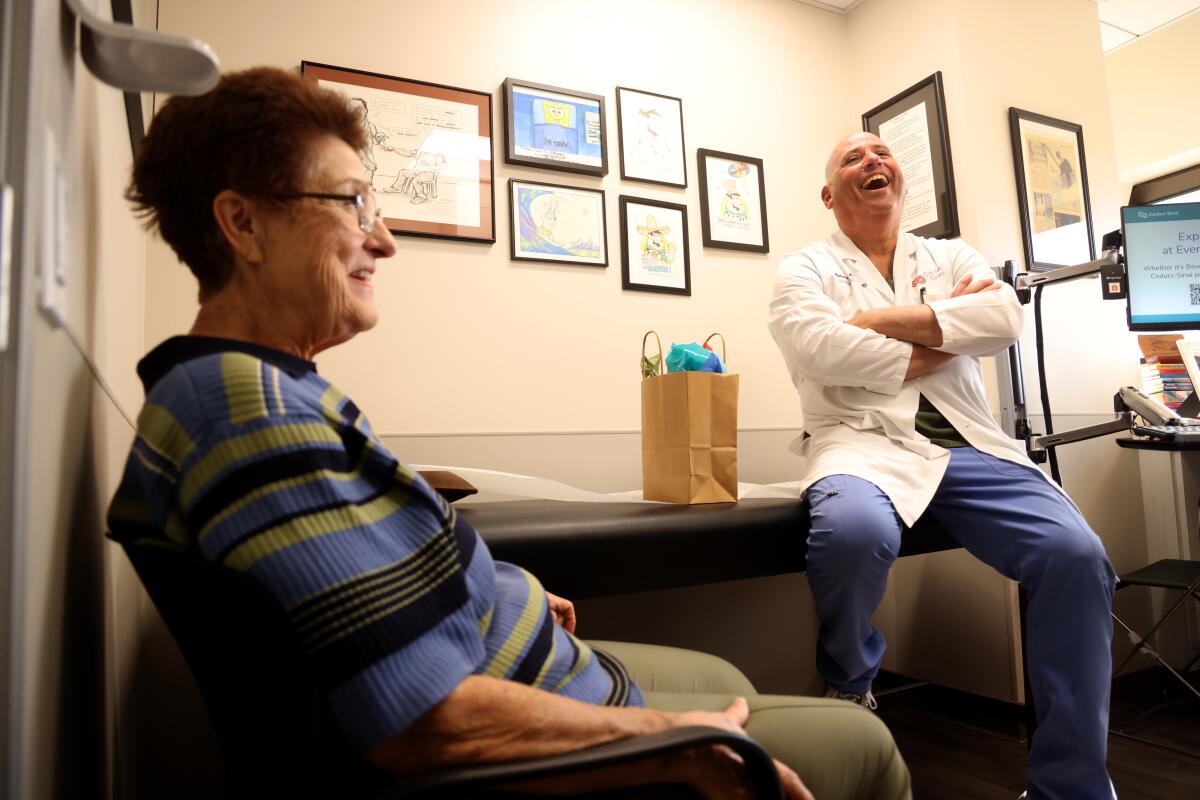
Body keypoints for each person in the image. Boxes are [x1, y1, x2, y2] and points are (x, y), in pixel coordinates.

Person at [107, 68, 911, 800]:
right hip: (531, 742)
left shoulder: (260, 393)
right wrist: (671, 742)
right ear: (242, 224)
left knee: (726, 671)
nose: (383, 240)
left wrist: (498, 586)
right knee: (864, 741)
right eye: (353, 204)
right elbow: (419, 719)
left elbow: (362, 576)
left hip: (530, 664)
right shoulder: (248, 411)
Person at [768, 132, 1116, 800]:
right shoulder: (804, 269)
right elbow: (818, 350)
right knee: (853, 536)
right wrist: (945, 334)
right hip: (859, 441)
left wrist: (877, 321)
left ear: (899, 178)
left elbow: (1003, 316)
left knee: (1077, 555)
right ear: (828, 193)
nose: (872, 160)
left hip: (965, 444)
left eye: (881, 153)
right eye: (852, 158)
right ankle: (851, 682)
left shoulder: (948, 253)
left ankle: (1070, 786)